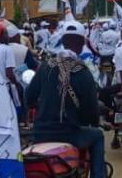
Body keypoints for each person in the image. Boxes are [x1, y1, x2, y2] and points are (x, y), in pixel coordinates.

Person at [26, 20, 105, 178]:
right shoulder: (82, 71)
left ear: (62, 41)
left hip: (40, 134)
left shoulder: (45, 66)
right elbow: (91, 109)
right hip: (69, 133)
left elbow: (29, 96)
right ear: (83, 42)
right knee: (97, 135)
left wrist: (43, 106)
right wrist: (93, 121)